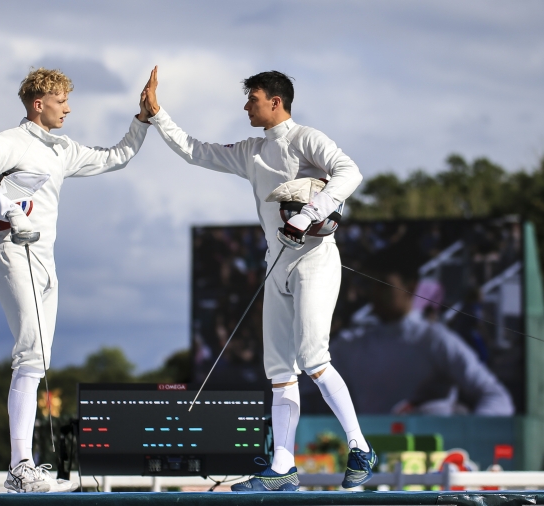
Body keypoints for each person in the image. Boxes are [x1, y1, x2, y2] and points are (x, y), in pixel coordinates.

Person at [140, 67, 375, 491]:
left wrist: (309, 211)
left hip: (316, 261)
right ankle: (283, 466)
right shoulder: (252, 151)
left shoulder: (307, 138)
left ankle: (360, 446)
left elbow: (350, 172)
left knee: (312, 357)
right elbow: (196, 151)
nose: (246, 106)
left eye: (253, 98)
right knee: (280, 369)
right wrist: (158, 115)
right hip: (276, 265)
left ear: (275, 102)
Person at [0, 67, 151, 493]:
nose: (69, 107)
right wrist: (9, 210)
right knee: (29, 354)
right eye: (62, 101)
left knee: (39, 359)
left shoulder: (62, 148)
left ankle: (23, 468)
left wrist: (142, 120)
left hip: (45, 262)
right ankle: (20, 467)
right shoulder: (9, 141)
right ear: (39, 103)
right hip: (13, 254)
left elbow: (116, 156)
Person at [330, 250, 515, 416]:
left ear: (410, 287)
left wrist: (465, 435)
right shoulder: (350, 345)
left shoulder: (435, 340)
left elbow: (497, 397)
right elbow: (308, 395)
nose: (374, 293)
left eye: (383, 285)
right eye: (370, 285)